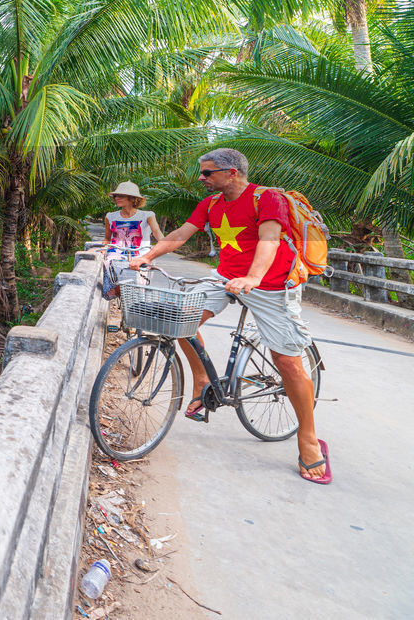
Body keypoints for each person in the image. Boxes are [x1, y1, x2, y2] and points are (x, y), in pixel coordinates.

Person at [127, 148, 329, 484]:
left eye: (207, 173)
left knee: (288, 361)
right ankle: (202, 380)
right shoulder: (210, 204)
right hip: (225, 277)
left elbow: (269, 240)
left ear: (232, 172)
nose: (201, 178)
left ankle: (308, 438)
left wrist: (253, 278)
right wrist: (148, 256)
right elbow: (180, 235)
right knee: (180, 318)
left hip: (273, 285)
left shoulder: (267, 198)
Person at [101, 181, 164, 299]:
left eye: (121, 196)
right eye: (115, 196)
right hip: (116, 255)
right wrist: (102, 248)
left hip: (139, 255)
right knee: (110, 266)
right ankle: (117, 292)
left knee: (136, 286)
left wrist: (163, 244)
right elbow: (107, 238)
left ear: (132, 198)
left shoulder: (147, 215)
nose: (117, 198)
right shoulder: (110, 216)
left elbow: (157, 232)